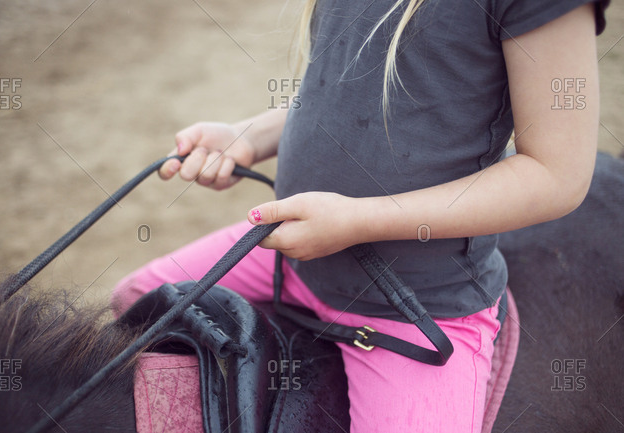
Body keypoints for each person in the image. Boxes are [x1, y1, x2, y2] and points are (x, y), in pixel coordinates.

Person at [112, 1, 609, 431]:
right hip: (293, 258)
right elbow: (347, 95)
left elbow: (556, 173)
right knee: (136, 303)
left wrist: (360, 220)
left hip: (415, 303)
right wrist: (249, 135)